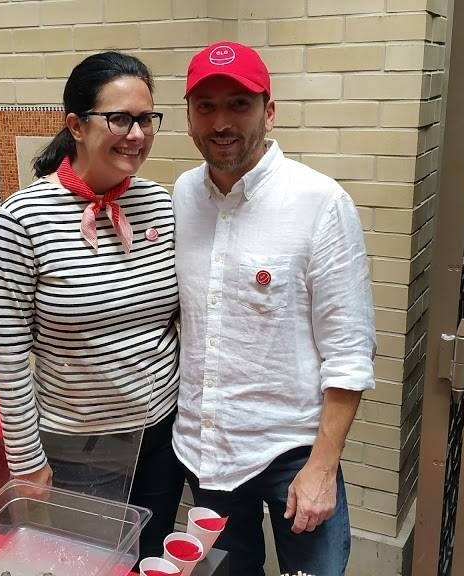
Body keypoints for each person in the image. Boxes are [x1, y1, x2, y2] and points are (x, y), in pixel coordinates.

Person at [171, 42, 377, 576]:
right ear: (189, 117)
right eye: (206, 106)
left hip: (295, 454)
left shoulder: (319, 202)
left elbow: (349, 353)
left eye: (238, 104)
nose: (221, 122)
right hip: (206, 448)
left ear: (269, 109)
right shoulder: (181, 198)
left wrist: (323, 468)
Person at [0, 51, 183, 561]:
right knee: (90, 564)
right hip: (78, 446)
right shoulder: (22, 219)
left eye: (146, 118)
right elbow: (8, 354)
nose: (136, 133)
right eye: (119, 118)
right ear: (75, 124)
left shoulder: (159, 204)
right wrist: (26, 460)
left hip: (162, 434)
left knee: (153, 557)